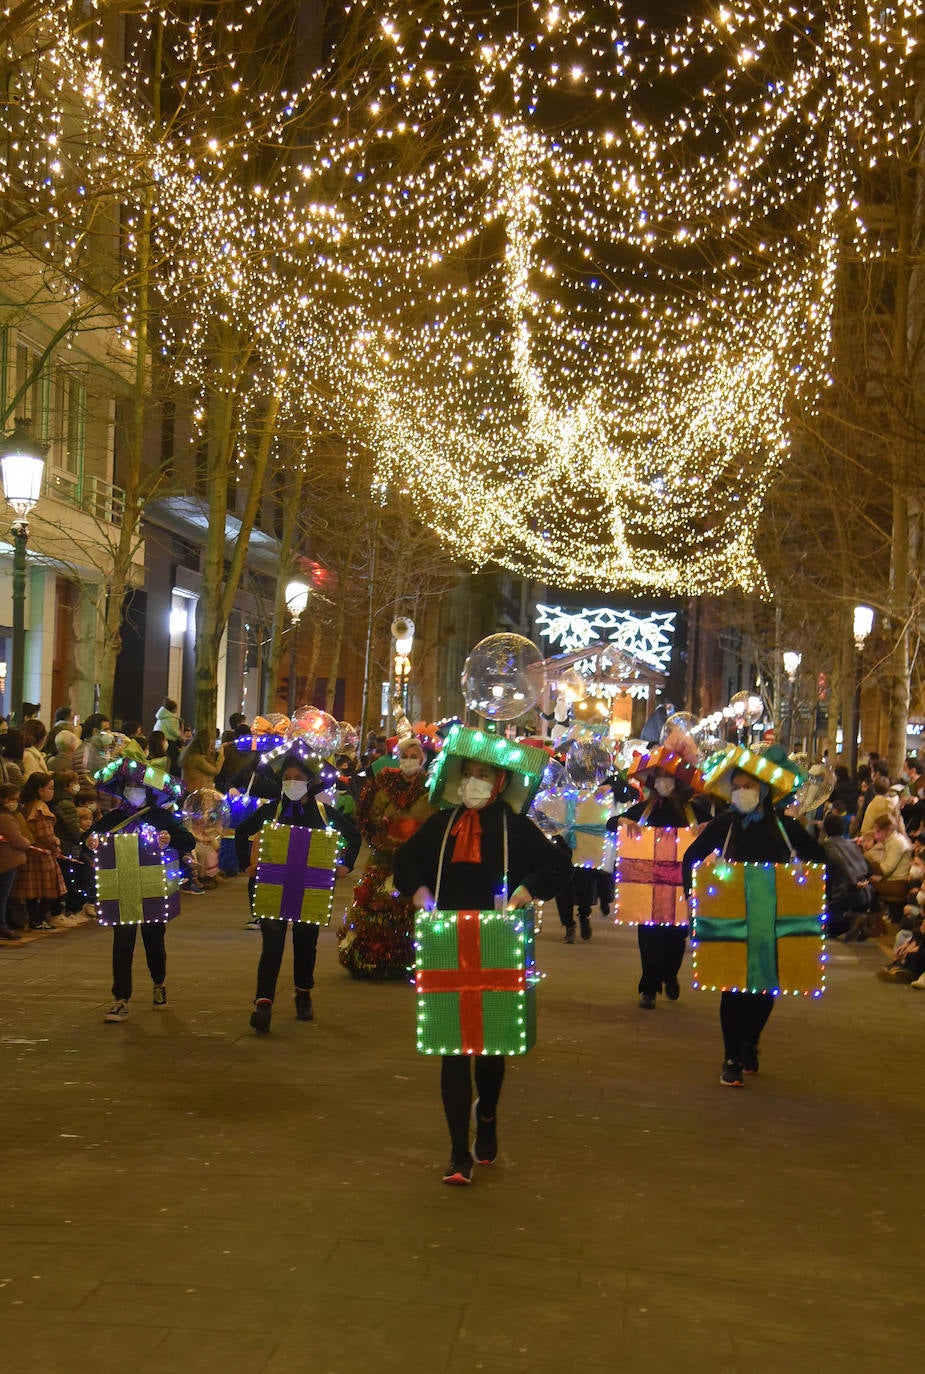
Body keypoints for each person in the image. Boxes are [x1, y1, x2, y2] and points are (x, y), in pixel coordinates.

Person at [394, 741, 571, 1185]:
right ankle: (458, 1153)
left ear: (500, 783)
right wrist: (419, 892)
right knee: (451, 1050)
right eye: (469, 772)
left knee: (491, 1049)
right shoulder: (442, 824)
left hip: (496, 941)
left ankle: (487, 1117)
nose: (474, 782)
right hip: (445, 943)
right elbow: (405, 861)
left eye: (484, 775)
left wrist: (526, 890)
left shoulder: (515, 828)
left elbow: (558, 865)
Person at [682, 745, 827, 1087]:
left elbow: (820, 859)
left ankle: (751, 1041)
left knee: (765, 989)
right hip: (730, 918)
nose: (741, 792)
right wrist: (694, 893)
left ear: (763, 790)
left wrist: (803, 882)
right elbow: (690, 857)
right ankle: (731, 1057)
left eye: (748, 786)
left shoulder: (785, 826)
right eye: (737, 786)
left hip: (774, 921)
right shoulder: (724, 825)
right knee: (732, 990)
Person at [236, 750, 360, 1033]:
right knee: (273, 942)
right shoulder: (270, 810)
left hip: (310, 889)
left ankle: (303, 993)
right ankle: (263, 1003)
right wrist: (247, 864)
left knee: (306, 942)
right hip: (272, 886)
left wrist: (345, 865)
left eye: (298, 778)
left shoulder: (323, 812)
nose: (292, 782)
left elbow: (353, 836)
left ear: (309, 781)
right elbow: (242, 832)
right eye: (288, 778)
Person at [609, 734, 708, 1009]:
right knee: (649, 940)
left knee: (676, 940)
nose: (664, 781)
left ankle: (671, 975)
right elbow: (611, 823)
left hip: (680, 889)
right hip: (647, 888)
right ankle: (649, 988)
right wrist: (625, 822)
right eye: (660, 776)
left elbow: (717, 830)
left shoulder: (693, 811)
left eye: (669, 776)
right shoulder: (644, 808)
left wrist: (704, 830)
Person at [90, 759, 194, 1022]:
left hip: (153, 887)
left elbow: (188, 840)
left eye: (136, 786)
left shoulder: (162, 817)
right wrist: (90, 841)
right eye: (127, 785)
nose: (131, 789)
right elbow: (87, 839)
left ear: (148, 790)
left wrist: (170, 839)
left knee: (153, 940)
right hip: (121, 887)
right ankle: (120, 999)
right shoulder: (114, 817)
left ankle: (159, 983)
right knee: (122, 942)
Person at [338, 735, 436, 979]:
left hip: (414, 859)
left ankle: (410, 957)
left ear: (423, 761)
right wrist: (379, 823)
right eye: (406, 756)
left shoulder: (429, 789)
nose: (409, 761)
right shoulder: (384, 785)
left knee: (409, 907)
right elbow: (368, 815)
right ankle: (372, 957)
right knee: (375, 905)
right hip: (384, 855)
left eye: (415, 757)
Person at [12, 772, 67, 930]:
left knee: (33, 891)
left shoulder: (27, 806)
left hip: (32, 853)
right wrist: (55, 843)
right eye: (49, 788)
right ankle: (37, 920)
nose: (52, 792)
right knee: (50, 890)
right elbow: (45, 834)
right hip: (42, 855)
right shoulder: (40, 808)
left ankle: (34, 920)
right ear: (39, 790)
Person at [820, 811, 875, 939]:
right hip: (866, 893)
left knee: (828, 925)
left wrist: (854, 884)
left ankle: (851, 919)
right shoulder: (852, 845)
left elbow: (839, 862)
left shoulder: (827, 846)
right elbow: (867, 866)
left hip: (846, 894)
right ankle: (857, 922)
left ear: (826, 829)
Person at [0, 782, 31, 939]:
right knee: (3, 896)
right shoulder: (5, 818)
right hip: (7, 861)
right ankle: (2, 926)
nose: (14, 803)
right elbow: (16, 840)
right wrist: (27, 843)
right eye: (12, 799)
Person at [179, 728, 221, 792]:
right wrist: (221, 756)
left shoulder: (190, 754)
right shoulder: (197, 758)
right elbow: (215, 771)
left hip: (190, 790)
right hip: (197, 793)